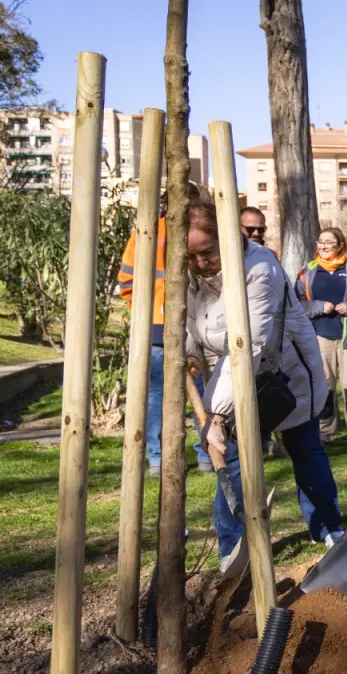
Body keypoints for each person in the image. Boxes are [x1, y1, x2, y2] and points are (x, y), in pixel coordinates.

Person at [183, 203, 344, 574]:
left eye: (207, 253)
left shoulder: (259, 268)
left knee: (304, 449)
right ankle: (233, 548)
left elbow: (248, 344)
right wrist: (188, 355)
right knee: (232, 462)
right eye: (191, 256)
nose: (200, 262)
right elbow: (193, 323)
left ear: (226, 239)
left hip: (285, 374)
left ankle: (328, 528)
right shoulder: (192, 273)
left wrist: (217, 414)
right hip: (229, 377)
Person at [117, 182, 212, 476]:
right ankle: (199, 454)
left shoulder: (147, 232)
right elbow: (127, 281)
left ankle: (169, 457)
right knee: (197, 392)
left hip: (174, 326)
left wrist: (144, 312)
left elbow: (125, 281)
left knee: (168, 394)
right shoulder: (166, 232)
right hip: (182, 326)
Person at [295, 227, 347, 450]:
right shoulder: (307, 272)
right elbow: (296, 304)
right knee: (324, 389)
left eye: (329, 242)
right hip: (318, 339)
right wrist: (317, 306)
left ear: (340, 245)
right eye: (320, 241)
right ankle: (325, 433)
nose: (323, 246)